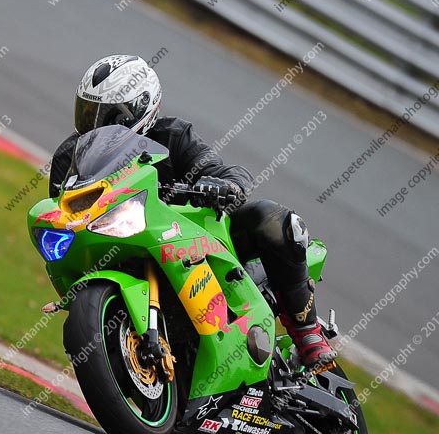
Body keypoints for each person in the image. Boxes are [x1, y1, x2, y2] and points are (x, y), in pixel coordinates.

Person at [49, 54, 336, 370]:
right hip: (117, 237)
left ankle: (308, 333)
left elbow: (220, 169)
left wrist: (226, 186)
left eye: (107, 115)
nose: (93, 122)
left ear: (140, 108)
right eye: (88, 111)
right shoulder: (71, 156)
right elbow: (61, 207)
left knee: (272, 221)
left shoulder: (173, 135)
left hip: (195, 236)